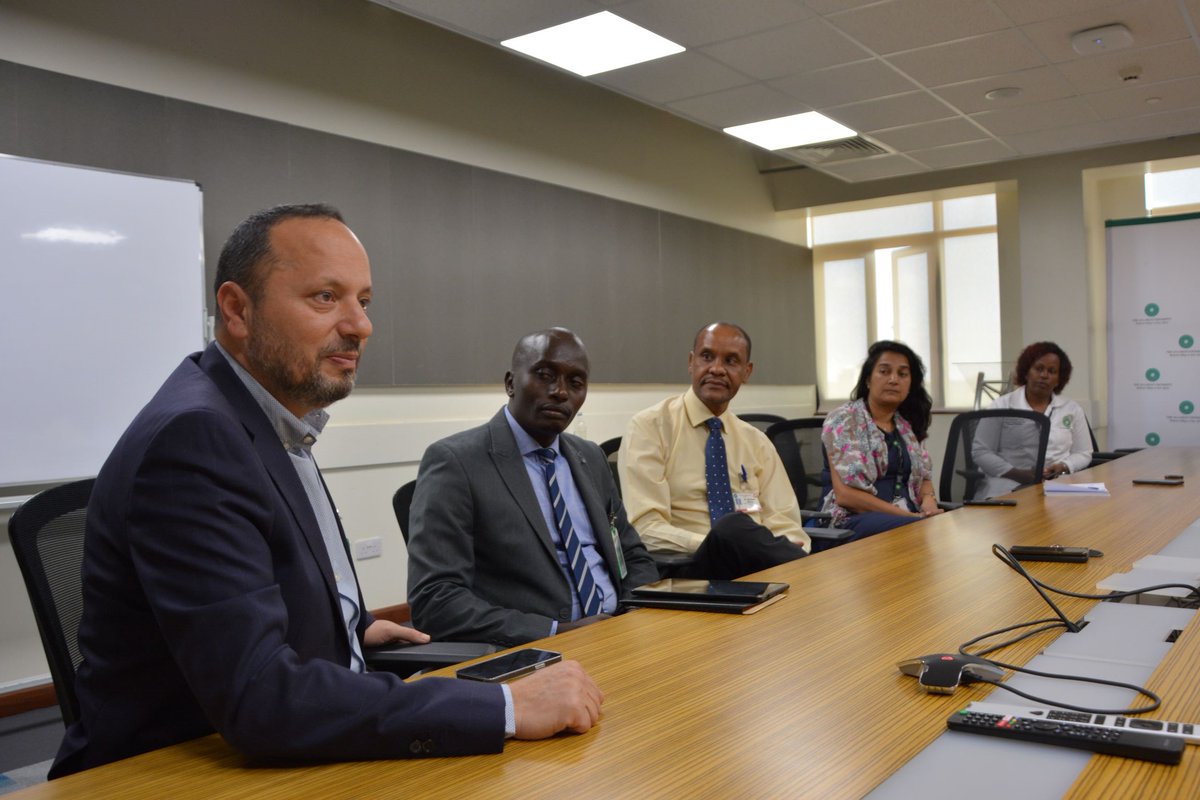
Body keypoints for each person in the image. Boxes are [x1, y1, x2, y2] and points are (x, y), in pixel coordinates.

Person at [51, 205, 602, 778]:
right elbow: (261, 699)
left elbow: (248, 590)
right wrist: (507, 706)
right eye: (325, 297)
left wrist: (349, 624)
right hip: (167, 774)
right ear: (238, 310)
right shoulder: (196, 438)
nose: (360, 325)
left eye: (364, 301)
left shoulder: (271, 417)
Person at [407, 328, 658, 647]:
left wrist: (633, 616)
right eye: (544, 375)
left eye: (575, 383)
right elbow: (436, 600)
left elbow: (633, 556)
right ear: (511, 383)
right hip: (539, 651)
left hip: (621, 633)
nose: (560, 392)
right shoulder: (456, 463)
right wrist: (555, 632)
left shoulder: (590, 457)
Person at [619, 322, 809, 579]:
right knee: (732, 527)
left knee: (742, 531)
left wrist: (778, 549)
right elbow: (645, 527)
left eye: (731, 361)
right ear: (691, 362)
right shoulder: (649, 427)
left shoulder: (757, 441)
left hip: (757, 568)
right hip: (686, 569)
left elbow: (786, 523)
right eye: (707, 357)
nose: (717, 369)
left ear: (746, 372)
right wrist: (720, 543)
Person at [820, 340, 942, 543]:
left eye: (902, 374)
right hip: (850, 521)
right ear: (868, 379)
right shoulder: (843, 420)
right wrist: (911, 518)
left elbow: (923, 476)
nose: (894, 379)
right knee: (919, 533)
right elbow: (846, 496)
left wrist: (929, 502)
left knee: (950, 525)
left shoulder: (906, 425)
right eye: (884, 371)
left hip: (907, 519)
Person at [972, 341, 1093, 499]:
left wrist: (1063, 466)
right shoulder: (1001, 405)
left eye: (1052, 371)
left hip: (1057, 488)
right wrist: (1017, 473)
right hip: (1008, 486)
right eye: (1039, 368)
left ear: (1059, 379)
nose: (1044, 375)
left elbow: (1084, 452)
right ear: (1026, 372)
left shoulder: (1071, 409)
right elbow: (981, 452)